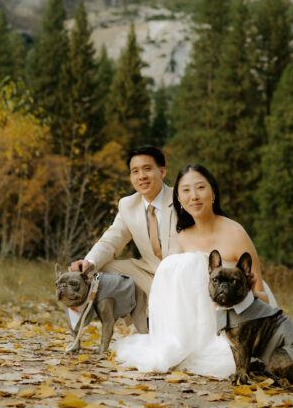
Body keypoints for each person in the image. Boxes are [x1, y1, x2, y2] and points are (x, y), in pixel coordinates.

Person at [112, 164, 275, 378]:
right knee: (179, 264)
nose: (194, 196)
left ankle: (215, 344)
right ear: (178, 198)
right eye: (186, 190)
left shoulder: (235, 233)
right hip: (199, 324)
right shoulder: (184, 236)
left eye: (200, 188)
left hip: (240, 318)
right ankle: (180, 341)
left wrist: (241, 298)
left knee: (190, 263)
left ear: (213, 194)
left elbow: (263, 298)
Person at [69, 146, 180, 329]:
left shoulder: (181, 198)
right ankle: (139, 319)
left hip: (181, 277)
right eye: (135, 171)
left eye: (147, 169)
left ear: (162, 171)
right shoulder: (128, 205)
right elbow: (111, 240)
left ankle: (158, 318)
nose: (141, 176)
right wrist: (88, 262)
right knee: (98, 270)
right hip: (149, 272)